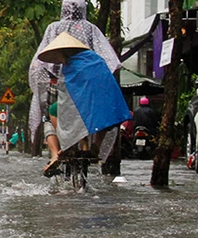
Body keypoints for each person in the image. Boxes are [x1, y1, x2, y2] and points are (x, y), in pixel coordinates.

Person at [29, 0, 122, 176]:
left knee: (48, 115)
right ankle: (95, 146)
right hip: (91, 88)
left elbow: (38, 64)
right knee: (104, 114)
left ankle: (55, 153)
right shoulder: (91, 31)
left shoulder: (53, 29)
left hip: (59, 85)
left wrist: (41, 81)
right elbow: (111, 60)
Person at [33, 31, 130, 176]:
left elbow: (66, 93)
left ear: (64, 52)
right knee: (104, 116)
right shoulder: (96, 60)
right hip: (107, 105)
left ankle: (59, 150)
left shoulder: (70, 66)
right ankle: (96, 146)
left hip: (82, 105)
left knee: (51, 112)